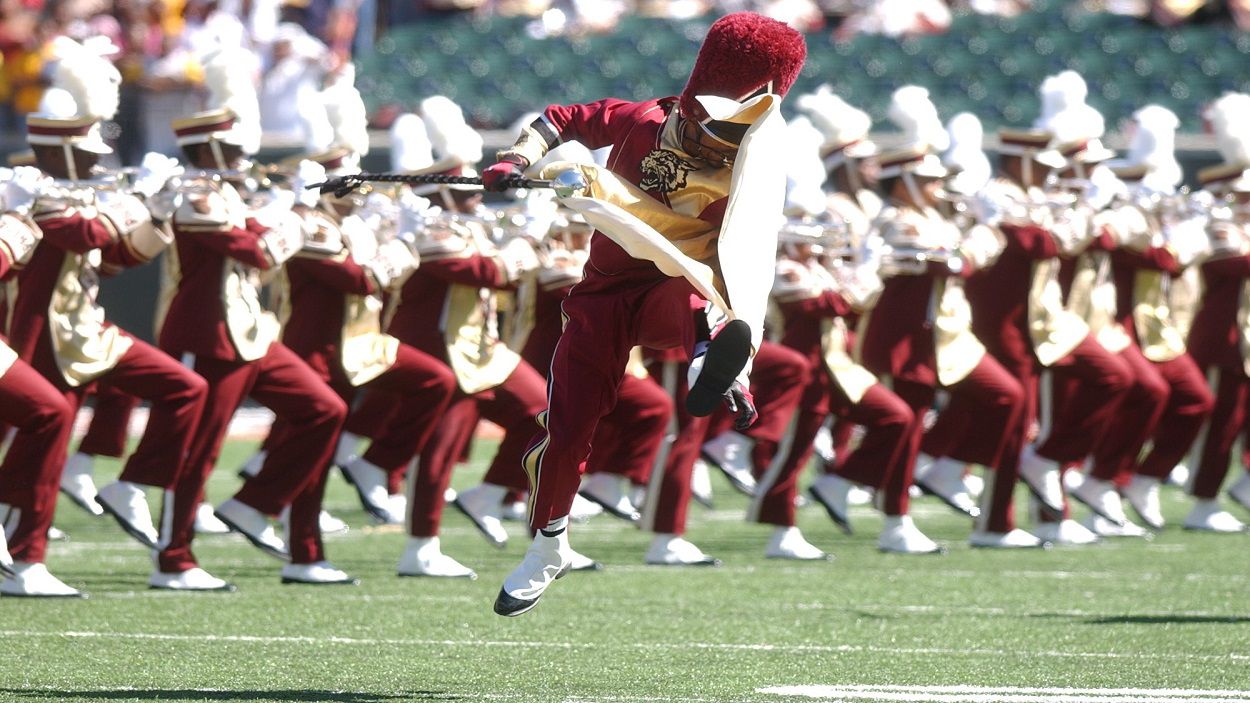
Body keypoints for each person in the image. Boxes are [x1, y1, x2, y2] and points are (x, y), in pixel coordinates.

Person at [480, 11, 806, 616]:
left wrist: (744, 348)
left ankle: (717, 356)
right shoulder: (642, 118)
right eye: (710, 120)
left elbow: (747, 259)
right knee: (567, 430)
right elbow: (558, 119)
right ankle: (550, 543)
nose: (717, 137)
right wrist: (515, 159)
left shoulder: (752, 166)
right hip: (601, 293)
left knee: (688, 294)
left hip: (676, 286)